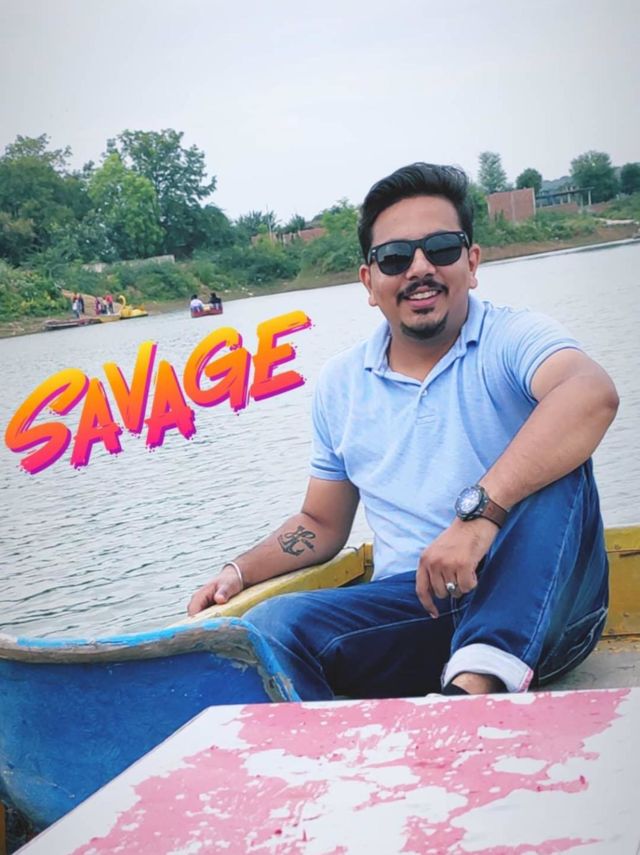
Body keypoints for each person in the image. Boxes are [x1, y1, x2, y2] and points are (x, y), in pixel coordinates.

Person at [187, 163, 618, 700]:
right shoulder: (342, 384)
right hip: (421, 606)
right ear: (369, 282)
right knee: (272, 627)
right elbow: (321, 523)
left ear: (472, 263)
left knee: (561, 455)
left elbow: (590, 393)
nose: (420, 269)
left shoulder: (511, 338)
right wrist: (239, 571)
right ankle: (340, 743)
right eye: (394, 257)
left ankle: (475, 689)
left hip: (546, 607)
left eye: (441, 249)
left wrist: (478, 518)